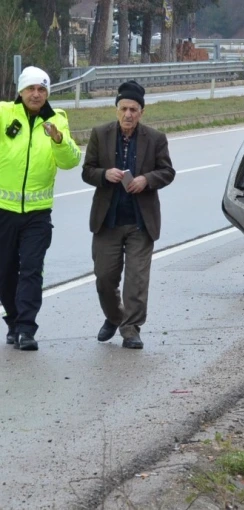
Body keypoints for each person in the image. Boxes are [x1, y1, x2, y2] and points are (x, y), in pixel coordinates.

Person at [81, 81, 175, 349]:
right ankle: (114, 316)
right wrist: (103, 174)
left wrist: (147, 179)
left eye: (133, 109)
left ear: (142, 112)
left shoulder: (155, 139)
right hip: (107, 221)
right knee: (104, 277)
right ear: (116, 109)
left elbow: (168, 172)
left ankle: (131, 329)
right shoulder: (100, 134)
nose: (128, 114)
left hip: (139, 222)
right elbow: (87, 170)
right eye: (123, 108)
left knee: (136, 280)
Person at [0, 66, 82, 351]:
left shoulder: (56, 118)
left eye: (42, 89)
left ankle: (26, 329)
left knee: (32, 269)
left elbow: (72, 160)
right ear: (20, 91)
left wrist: (58, 140)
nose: (36, 94)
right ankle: (12, 320)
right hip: (4, 210)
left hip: (38, 213)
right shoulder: (4, 114)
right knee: (5, 270)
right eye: (31, 89)